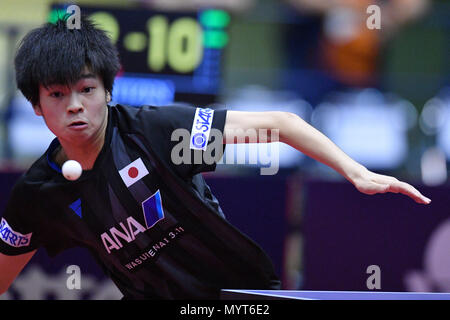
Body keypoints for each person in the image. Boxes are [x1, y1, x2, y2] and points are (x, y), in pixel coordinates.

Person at [0, 15, 430, 300]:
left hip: (243, 297)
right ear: (37, 106)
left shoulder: (157, 132)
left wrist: (356, 171)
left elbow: (280, 123)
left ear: (108, 91)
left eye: (87, 90)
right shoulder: (39, 193)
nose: (75, 105)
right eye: (57, 95)